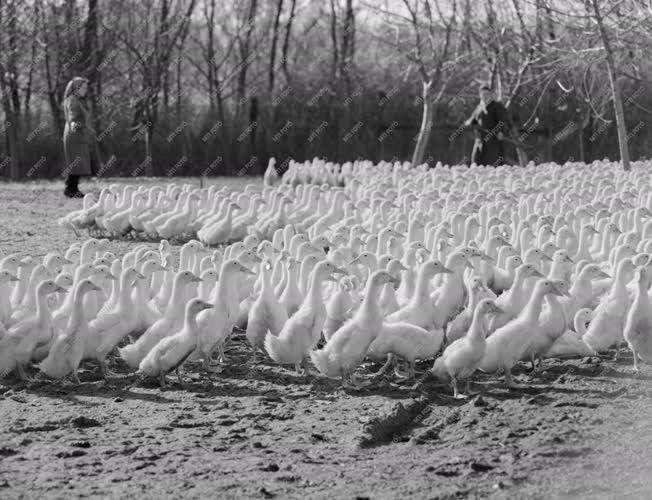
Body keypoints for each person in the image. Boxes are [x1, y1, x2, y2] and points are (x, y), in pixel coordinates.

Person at [62, 77, 97, 198]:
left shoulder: (74, 99)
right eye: (83, 88)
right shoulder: (72, 100)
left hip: (77, 135)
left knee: (78, 162)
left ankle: (72, 188)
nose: (85, 90)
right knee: (76, 162)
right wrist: (73, 123)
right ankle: (70, 189)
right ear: (76, 88)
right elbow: (73, 115)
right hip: (74, 134)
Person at [464, 85, 513, 167]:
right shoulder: (479, 108)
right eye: (483, 94)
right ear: (480, 96)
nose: (485, 96)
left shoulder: (497, 106)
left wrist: (501, 132)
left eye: (487, 94)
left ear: (491, 95)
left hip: (493, 141)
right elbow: (472, 121)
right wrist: (468, 123)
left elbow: (504, 121)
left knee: (492, 166)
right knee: (476, 164)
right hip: (480, 141)